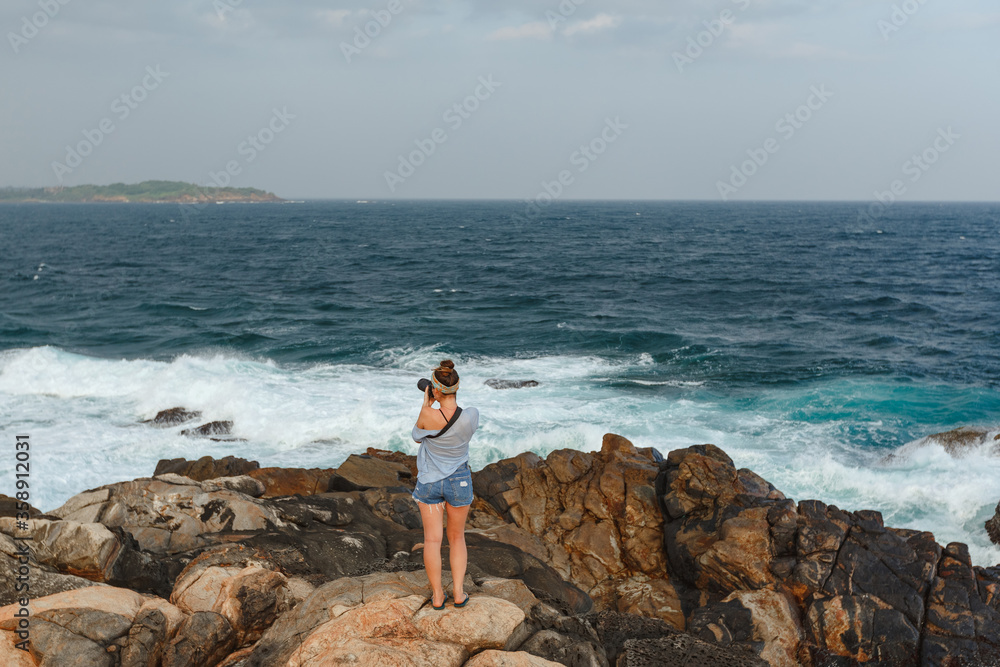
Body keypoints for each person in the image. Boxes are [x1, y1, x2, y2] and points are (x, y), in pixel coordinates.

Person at [411, 359, 480, 609]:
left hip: (430, 482)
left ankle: (438, 596)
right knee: (457, 538)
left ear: (436, 390)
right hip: (459, 482)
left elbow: (417, 437)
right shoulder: (471, 415)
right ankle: (459, 593)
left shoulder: (428, 414)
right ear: (456, 387)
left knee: (432, 541)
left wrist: (426, 404)